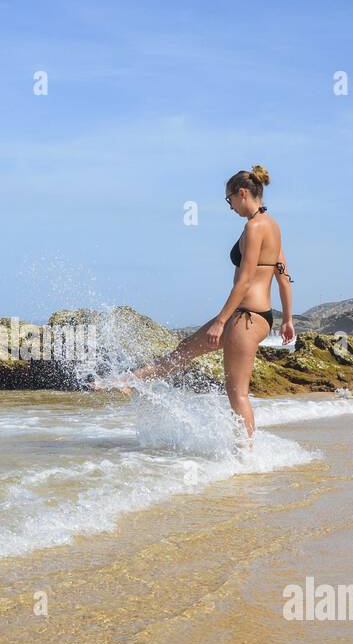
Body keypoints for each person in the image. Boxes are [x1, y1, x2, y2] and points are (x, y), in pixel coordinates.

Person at [98, 164, 295, 438]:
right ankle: (129, 381)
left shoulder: (254, 228)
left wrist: (221, 321)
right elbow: (284, 276)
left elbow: (245, 281)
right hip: (257, 317)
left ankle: (246, 456)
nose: (229, 207)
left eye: (229, 200)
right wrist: (287, 319)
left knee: (237, 393)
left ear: (242, 193)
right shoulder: (273, 227)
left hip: (244, 318)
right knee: (185, 349)